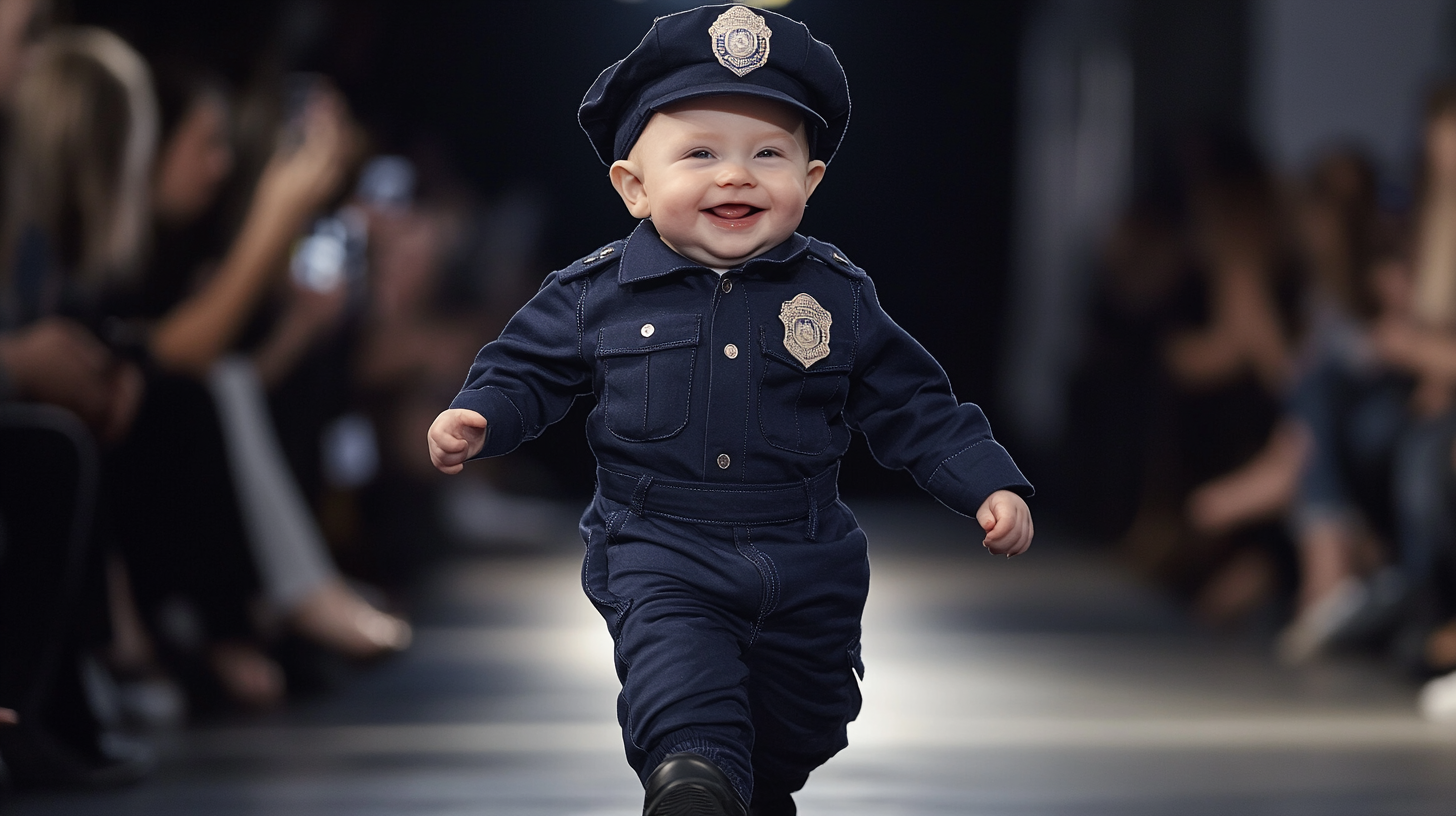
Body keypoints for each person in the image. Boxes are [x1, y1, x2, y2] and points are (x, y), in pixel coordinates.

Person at [428, 6, 1033, 815]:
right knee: (686, 710)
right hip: (659, 546)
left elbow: (913, 401)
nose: (736, 175)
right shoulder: (593, 294)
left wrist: (987, 482)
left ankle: (744, 784)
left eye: (769, 153)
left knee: (801, 725)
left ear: (809, 182)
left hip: (805, 556)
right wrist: (483, 413)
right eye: (701, 152)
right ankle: (692, 781)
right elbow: (525, 367)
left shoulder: (836, 296)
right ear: (634, 187)